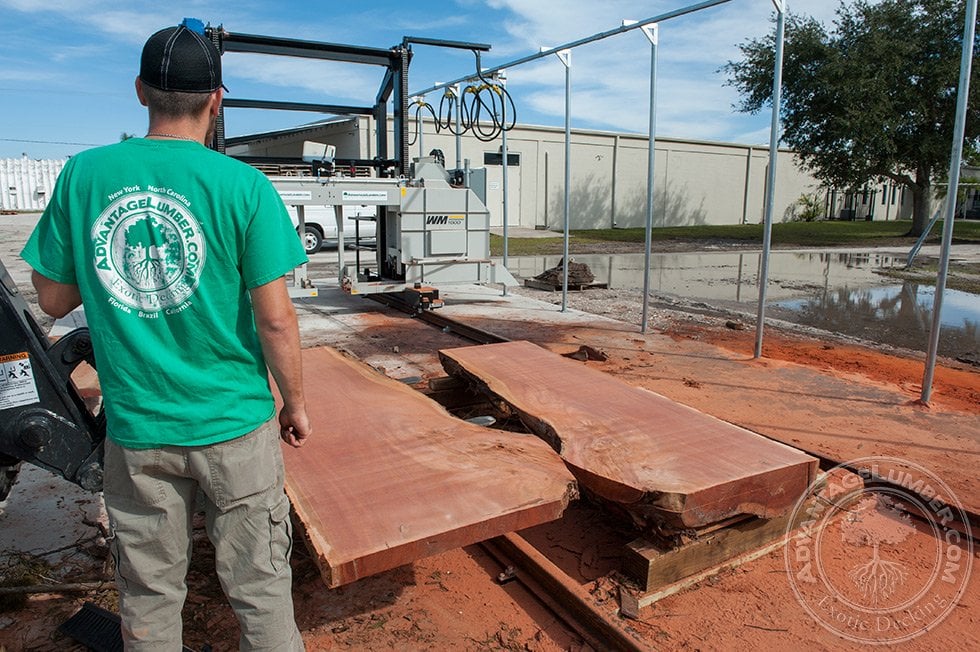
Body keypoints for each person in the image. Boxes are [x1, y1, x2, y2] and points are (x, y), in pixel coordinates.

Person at [21, 23, 311, 650]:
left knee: (150, 597)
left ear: (139, 92)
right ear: (219, 98)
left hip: (139, 433)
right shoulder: (245, 187)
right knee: (259, 586)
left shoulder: (84, 173)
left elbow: (52, 298)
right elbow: (277, 319)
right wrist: (295, 403)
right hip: (236, 427)